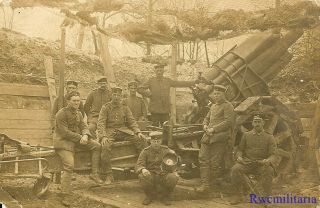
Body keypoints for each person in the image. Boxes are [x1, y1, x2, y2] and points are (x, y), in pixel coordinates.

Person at [53, 91, 103, 206]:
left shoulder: (79, 113)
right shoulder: (61, 114)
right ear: (68, 101)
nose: (76, 103)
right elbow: (64, 133)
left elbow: (83, 126)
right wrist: (81, 137)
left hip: (76, 140)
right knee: (69, 165)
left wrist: (85, 134)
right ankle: (65, 194)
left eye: (78, 101)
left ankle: (94, 173)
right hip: (64, 142)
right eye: (74, 101)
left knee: (97, 146)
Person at [97, 86, 147, 184]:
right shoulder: (106, 107)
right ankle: (108, 174)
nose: (116, 97)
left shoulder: (125, 107)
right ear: (111, 95)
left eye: (118, 95)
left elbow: (131, 121)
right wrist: (103, 136)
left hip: (123, 130)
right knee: (105, 146)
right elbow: (101, 122)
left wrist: (138, 132)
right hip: (109, 131)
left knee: (141, 140)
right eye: (114, 95)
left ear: (121, 97)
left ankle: (141, 167)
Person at [195, 85, 235, 193]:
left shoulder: (228, 106)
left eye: (218, 94)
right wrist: (204, 126)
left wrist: (213, 129)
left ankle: (211, 185)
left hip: (219, 138)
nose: (216, 96)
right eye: (215, 94)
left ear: (223, 94)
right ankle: (205, 184)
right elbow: (206, 118)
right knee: (203, 160)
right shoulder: (213, 106)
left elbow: (228, 122)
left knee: (215, 163)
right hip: (207, 137)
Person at [230, 115, 276, 204]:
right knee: (235, 169)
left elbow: (273, 155)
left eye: (259, 122)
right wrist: (239, 157)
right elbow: (240, 150)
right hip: (247, 163)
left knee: (269, 171)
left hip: (261, 164)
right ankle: (239, 196)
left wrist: (268, 160)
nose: (257, 124)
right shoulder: (246, 135)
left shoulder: (269, 137)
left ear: (263, 123)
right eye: (255, 122)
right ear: (252, 123)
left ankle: (265, 197)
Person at [135, 131, 179, 206]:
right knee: (142, 176)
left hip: (163, 174)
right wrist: (143, 169)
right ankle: (149, 196)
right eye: (154, 141)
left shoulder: (166, 150)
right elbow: (139, 164)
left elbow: (176, 161)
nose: (156, 143)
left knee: (173, 177)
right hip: (151, 174)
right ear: (150, 141)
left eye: (158, 141)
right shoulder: (145, 151)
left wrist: (175, 155)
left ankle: (165, 196)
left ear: (161, 141)